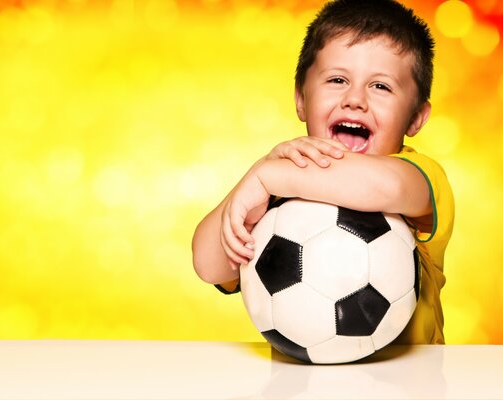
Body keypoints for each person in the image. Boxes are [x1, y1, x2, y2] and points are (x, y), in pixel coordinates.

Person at [191, 0, 454, 344]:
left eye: (381, 86)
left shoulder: (419, 176)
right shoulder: (282, 187)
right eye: (337, 79)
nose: (355, 99)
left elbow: (382, 187)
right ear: (301, 98)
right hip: (301, 386)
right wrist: (258, 176)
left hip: (409, 390)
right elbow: (208, 264)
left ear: (416, 117)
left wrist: (268, 177)